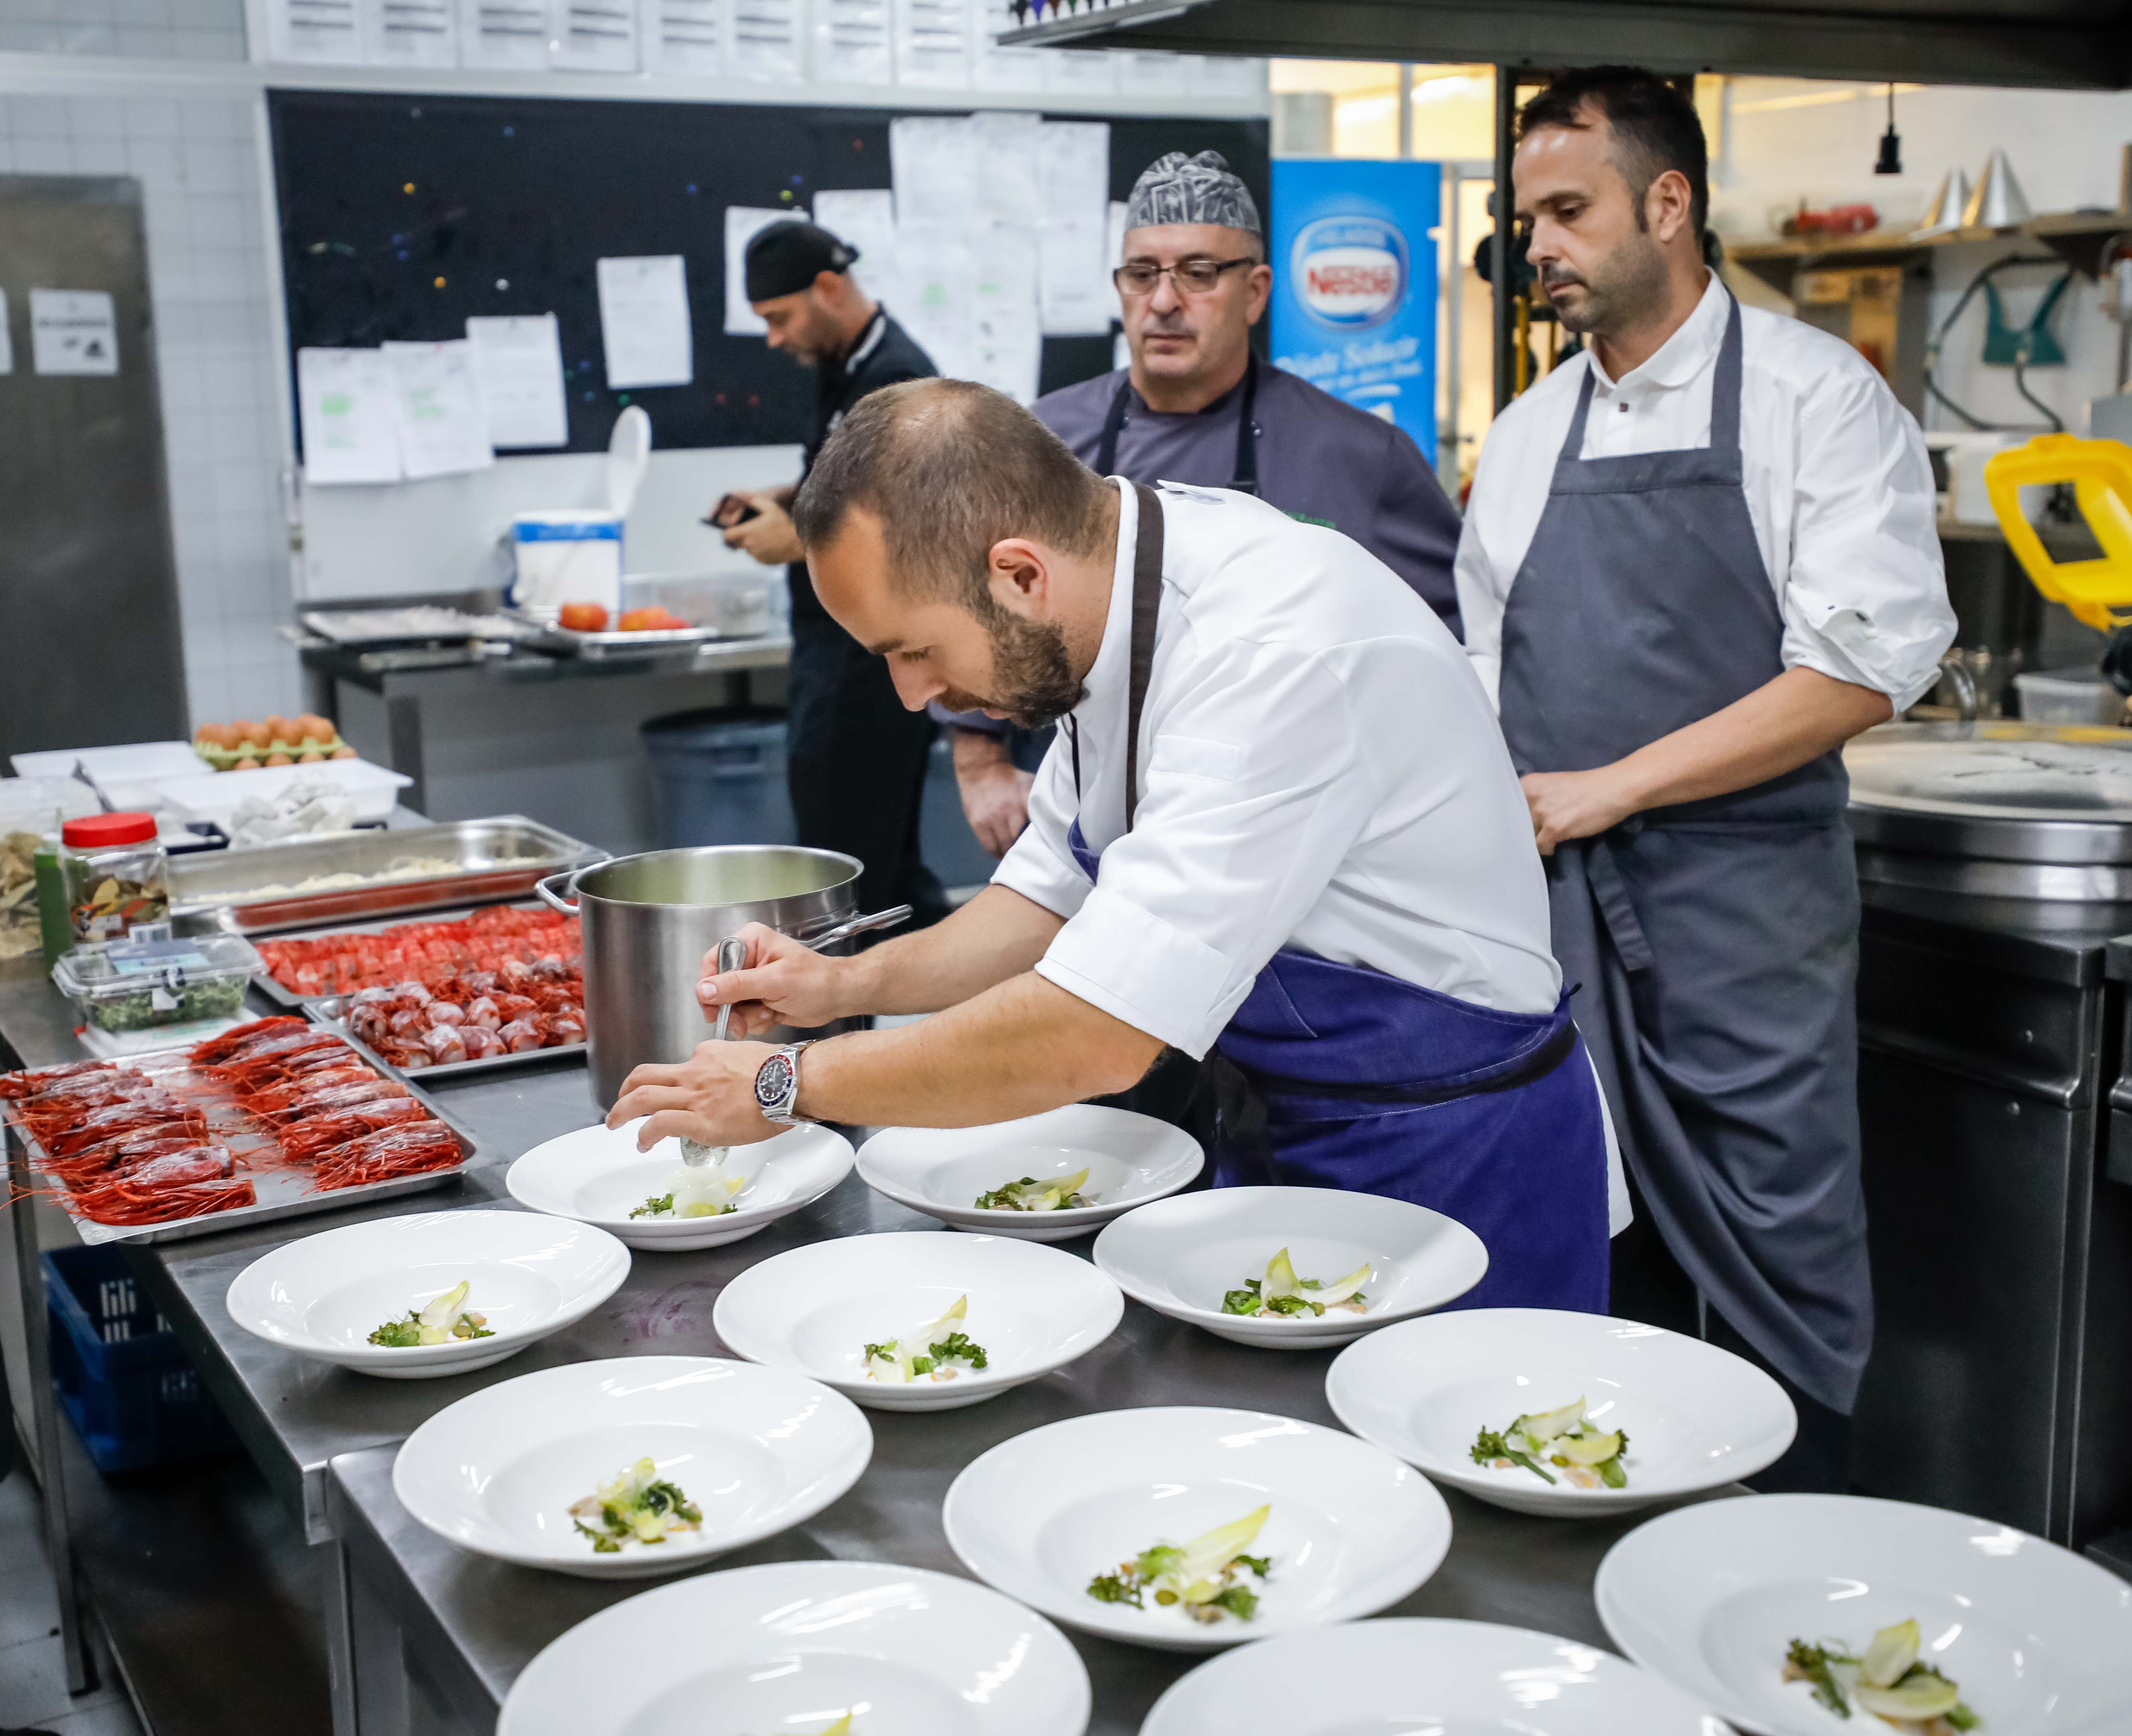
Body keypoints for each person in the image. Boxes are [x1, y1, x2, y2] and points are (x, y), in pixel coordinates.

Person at [614, 378, 1627, 1311]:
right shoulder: (1108, 607)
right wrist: (840, 988)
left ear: (1017, 573)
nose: (913, 697)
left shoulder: (1273, 653)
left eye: (912, 650)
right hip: (1298, 1135)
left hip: (1458, 1157)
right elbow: (1048, 900)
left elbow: (1092, 1033)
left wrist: (789, 1085)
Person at [1456, 67, 1956, 1490]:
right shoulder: (1534, 432)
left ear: (1668, 204)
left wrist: (1613, 785)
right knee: (1589, 1256)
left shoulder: (1816, 398)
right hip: (1555, 928)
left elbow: (1862, 666)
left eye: (1567, 210)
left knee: (1776, 1258)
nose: (1535, 245)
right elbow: (1483, 685)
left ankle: (1788, 1587)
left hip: (1747, 926)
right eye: (1525, 215)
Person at [943, 148, 1467, 859]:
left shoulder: (1359, 457)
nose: (1163, 301)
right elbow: (971, 610)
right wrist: (981, 763)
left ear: (1255, 291)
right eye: (1141, 274)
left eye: (1197, 274)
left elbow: (1448, 654)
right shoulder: (1039, 440)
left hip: (1290, 834)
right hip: (1078, 824)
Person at [709, 219, 950, 928]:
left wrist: (795, 541)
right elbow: (847, 487)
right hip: (831, 656)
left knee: (849, 876)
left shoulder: (896, 378)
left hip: (869, 670)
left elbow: (905, 527)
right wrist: (781, 499)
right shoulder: (841, 367)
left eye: (780, 318)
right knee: (875, 867)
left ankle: (848, 1031)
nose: (775, 339)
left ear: (827, 288)